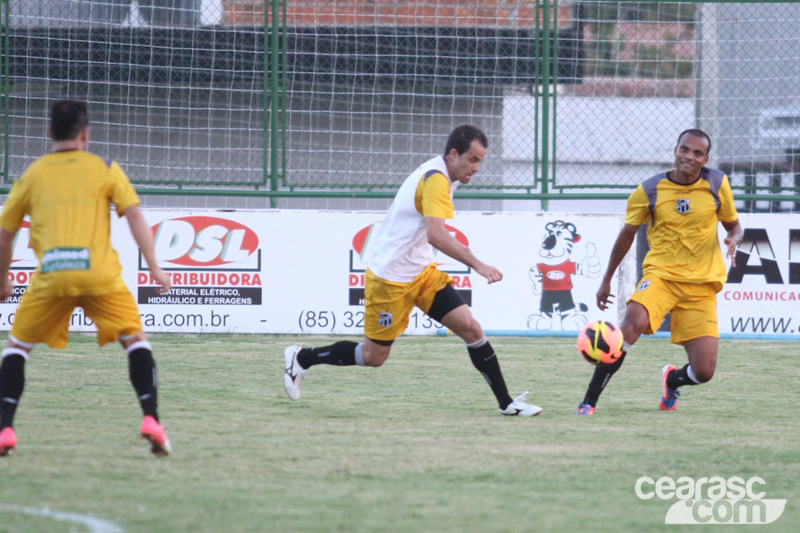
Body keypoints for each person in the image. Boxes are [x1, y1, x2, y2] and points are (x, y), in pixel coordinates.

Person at [284, 125, 541, 416]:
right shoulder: (436, 181)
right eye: (473, 159)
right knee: (373, 356)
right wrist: (478, 264)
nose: (477, 168)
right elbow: (437, 235)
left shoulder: (444, 173)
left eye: (481, 161)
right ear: (454, 154)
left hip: (421, 273)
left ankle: (507, 404)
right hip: (390, 278)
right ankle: (302, 358)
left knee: (471, 328)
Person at [0, 100, 173, 456]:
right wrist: (154, 266)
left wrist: (2, 281)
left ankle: (4, 429)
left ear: (49, 132)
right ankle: (151, 419)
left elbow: (5, 235)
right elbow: (135, 214)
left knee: (17, 348)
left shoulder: (32, 174)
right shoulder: (104, 167)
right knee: (135, 340)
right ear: (85, 134)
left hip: (52, 276)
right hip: (100, 276)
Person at [576, 129, 743, 416]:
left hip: (701, 285)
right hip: (661, 276)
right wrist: (606, 279)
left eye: (697, 153)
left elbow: (734, 226)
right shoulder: (649, 189)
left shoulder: (717, 183)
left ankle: (672, 380)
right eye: (685, 150)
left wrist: (735, 239)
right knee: (630, 326)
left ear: (706, 158)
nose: (689, 157)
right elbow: (626, 235)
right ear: (675, 150)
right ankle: (588, 401)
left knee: (704, 372)